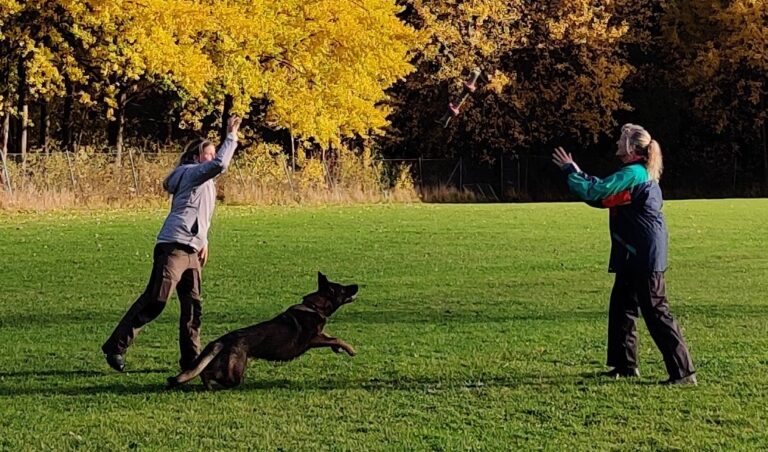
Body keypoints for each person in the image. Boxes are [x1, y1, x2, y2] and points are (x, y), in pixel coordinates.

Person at [551, 123, 696, 385]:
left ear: (631, 148)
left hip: (643, 254)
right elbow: (602, 196)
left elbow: (596, 192)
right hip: (634, 252)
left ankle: (683, 372)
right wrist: (577, 172)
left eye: (621, 139)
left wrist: (571, 171)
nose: (617, 142)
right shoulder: (637, 172)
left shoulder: (633, 173)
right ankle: (625, 365)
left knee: (656, 311)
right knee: (621, 307)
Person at [101, 116, 242, 372]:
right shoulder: (190, 173)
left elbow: (201, 214)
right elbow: (221, 164)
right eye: (208, 154)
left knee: (193, 308)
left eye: (214, 153)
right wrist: (231, 135)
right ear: (196, 157)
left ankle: (191, 362)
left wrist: (204, 240)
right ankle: (116, 346)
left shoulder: (205, 183)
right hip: (174, 246)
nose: (213, 157)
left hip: (192, 250)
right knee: (157, 298)